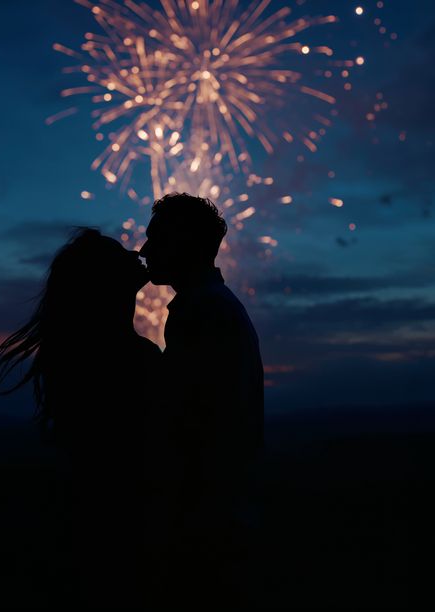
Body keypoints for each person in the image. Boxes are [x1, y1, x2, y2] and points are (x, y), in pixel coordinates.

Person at [0, 228, 162, 609]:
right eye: (121, 253)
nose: (137, 253)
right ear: (105, 282)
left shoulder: (83, 357)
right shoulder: (131, 360)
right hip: (121, 533)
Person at [140, 192, 265, 609]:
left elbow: (187, 422)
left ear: (183, 243)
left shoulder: (202, 312)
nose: (144, 250)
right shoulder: (216, 307)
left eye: (155, 239)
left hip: (206, 523)